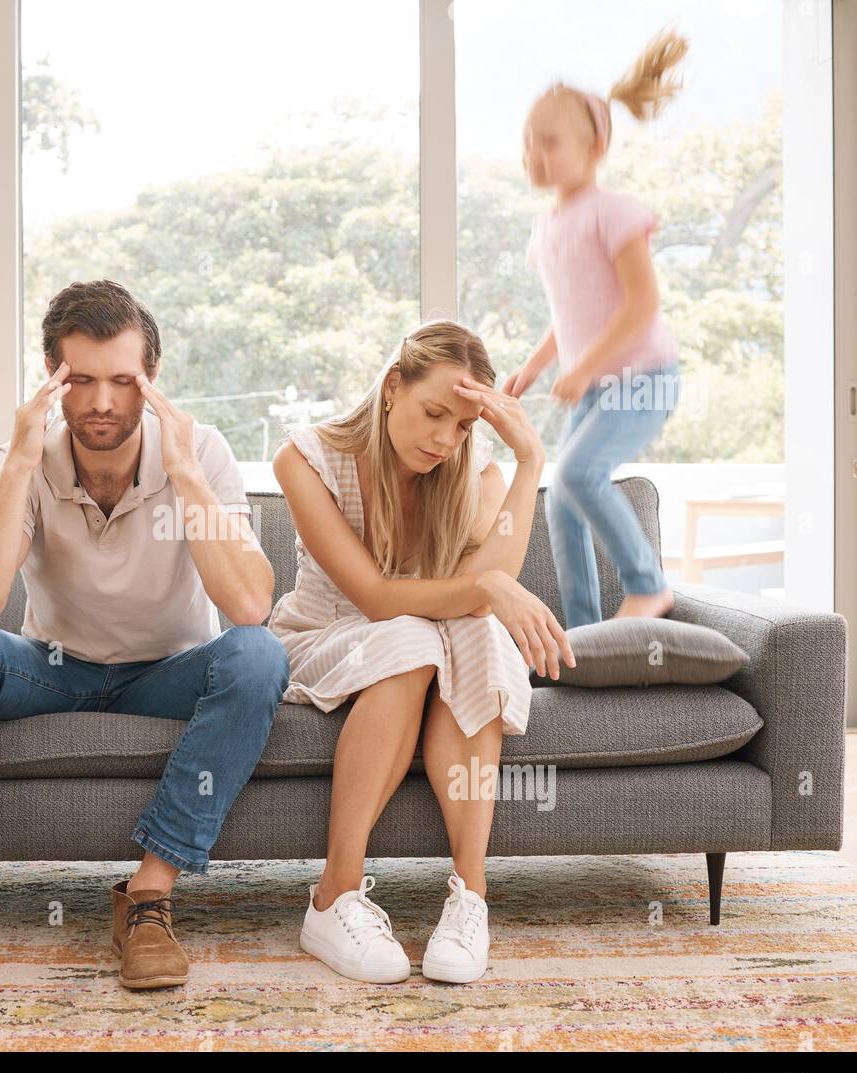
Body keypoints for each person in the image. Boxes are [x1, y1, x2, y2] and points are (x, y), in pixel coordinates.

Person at [0, 280, 290, 1034]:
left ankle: (148, 899)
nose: (102, 402)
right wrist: (22, 463)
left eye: (123, 381)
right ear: (53, 379)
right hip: (53, 668)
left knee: (258, 657)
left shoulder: (202, 451)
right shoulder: (25, 458)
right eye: (81, 380)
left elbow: (250, 605)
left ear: (151, 382)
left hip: (167, 673)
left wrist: (184, 476)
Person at [270, 319, 573, 985]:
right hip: (326, 632)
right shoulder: (307, 457)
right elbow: (376, 597)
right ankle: (334, 895)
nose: (445, 438)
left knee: (486, 636)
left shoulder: (473, 474)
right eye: (434, 413)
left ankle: (470, 894)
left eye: (464, 426)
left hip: (430, 631)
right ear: (390, 388)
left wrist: (530, 463)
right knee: (407, 634)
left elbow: (488, 588)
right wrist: (485, 584)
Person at [507, 27, 689, 629]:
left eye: (550, 143)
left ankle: (648, 585)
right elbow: (572, 315)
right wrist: (538, 366)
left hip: (645, 379)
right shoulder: (549, 227)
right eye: (528, 144)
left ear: (594, 146)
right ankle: (584, 633)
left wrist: (583, 367)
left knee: (580, 474)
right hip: (595, 387)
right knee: (562, 500)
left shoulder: (614, 214)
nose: (536, 155)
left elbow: (641, 305)